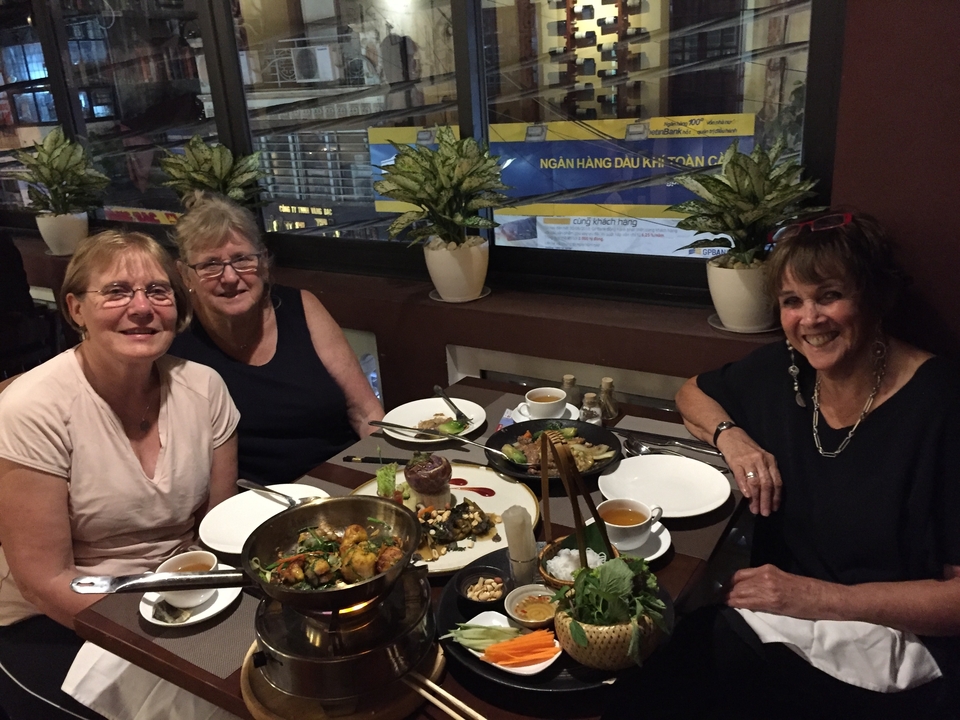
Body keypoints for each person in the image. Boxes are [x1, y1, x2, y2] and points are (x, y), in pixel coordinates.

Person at [603, 211, 960, 719]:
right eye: (792, 301)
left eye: (829, 295)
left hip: (896, 651)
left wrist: (818, 598)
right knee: (644, 665)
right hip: (780, 621)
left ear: (875, 297)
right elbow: (693, 393)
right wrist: (735, 440)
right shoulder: (787, 370)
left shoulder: (942, 404)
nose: (809, 320)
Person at [0, 230, 240, 720]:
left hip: (177, 591)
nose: (141, 308)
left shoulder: (205, 386)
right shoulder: (30, 409)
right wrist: (163, 644)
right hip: (55, 618)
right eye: (116, 291)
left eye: (158, 291)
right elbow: (43, 581)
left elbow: (218, 527)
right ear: (75, 309)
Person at [168, 192, 383, 484]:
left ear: (264, 263)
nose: (230, 277)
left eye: (242, 259)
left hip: (345, 483)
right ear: (185, 276)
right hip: (260, 507)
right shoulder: (176, 343)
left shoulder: (302, 308)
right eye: (210, 265)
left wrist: (387, 479)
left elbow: (365, 411)